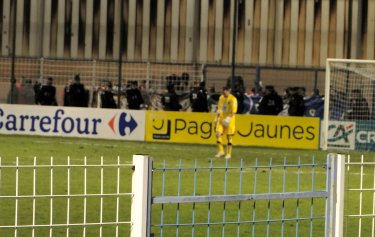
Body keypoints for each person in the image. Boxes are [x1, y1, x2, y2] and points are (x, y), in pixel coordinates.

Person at [214, 86, 238, 159]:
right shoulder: (221, 98)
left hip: (229, 120)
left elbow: (234, 111)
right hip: (221, 119)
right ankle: (221, 151)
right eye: (224, 90)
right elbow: (219, 108)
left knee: (229, 136)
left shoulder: (233, 99)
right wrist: (216, 117)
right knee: (218, 134)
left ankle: (228, 154)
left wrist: (228, 118)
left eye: (226, 90)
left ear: (229, 91)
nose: (225, 92)